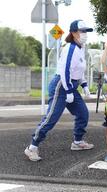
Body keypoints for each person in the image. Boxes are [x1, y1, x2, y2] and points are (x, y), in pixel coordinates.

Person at [24, 20, 94, 161]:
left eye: (86, 31)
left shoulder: (81, 48)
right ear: (74, 33)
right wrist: (68, 91)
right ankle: (32, 147)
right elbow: (65, 71)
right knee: (51, 118)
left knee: (83, 113)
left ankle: (77, 142)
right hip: (61, 86)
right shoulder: (70, 48)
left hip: (71, 86)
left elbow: (78, 71)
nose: (85, 34)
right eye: (82, 31)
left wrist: (84, 85)